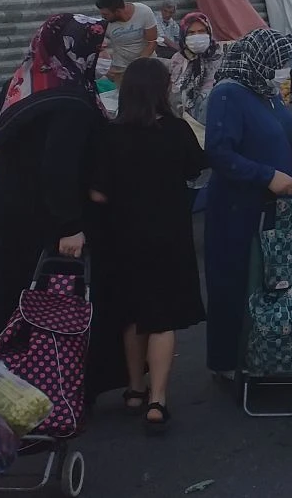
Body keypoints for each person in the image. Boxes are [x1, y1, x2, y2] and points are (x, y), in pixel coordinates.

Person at [0, 13, 125, 402]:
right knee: (52, 304)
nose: (106, 54)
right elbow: (58, 166)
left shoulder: (21, 83)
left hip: (7, 212)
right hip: (43, 217)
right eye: (100, 47)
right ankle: (56, 388)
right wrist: (69, 225)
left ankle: (22, 383)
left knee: (17, 299)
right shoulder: (70, 101)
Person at [91, 57, 207, 433]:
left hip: (122, 236)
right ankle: (158, 399)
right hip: (168, 234)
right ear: (162, 90)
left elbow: (97, 192)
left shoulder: (109, 135)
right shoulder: (175, 131)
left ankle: (134, 389)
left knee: (132, 314)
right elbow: (194, 170)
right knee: (162, 317)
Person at [201, 28, 292, 376]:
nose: (284, 67)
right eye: (279, 61)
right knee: (234, 280)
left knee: (271, 281)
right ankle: (229, 359)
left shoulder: (267, 91)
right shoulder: (229, 94)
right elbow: (218, 152)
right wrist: (267, 176)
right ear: (259, 60)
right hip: (237, 208)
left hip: (275, 207)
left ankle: (267, 349)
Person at [167, 12, 223, 123]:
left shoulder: (222, 58)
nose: (197, 36)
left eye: (202, 31)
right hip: (182, 123)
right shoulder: (178, 60)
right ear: (184, 35)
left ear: (209, 32)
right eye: (191, 33)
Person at [96, 0, 158, 84]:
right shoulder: (104, 23)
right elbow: (94, 47)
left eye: (106, 14)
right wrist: (104, 68)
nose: (103, 17)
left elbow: (152, 41)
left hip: (147, 63)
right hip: (121, 68)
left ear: (118, 11)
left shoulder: (144, 12)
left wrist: (137, 64)